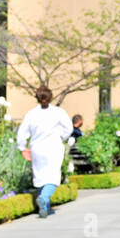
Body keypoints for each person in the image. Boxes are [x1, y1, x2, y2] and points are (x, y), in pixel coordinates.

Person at [16, 87, 73, 219]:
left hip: (37, 148)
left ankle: (46, 207)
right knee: (52, 176)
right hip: (54, 147)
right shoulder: (58, 112)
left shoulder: (31, 114)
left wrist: (22, 147)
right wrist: (61, 137)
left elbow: (22, 132)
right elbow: (68, 128)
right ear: (50, 97)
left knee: (40, 176)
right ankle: (44, 198)